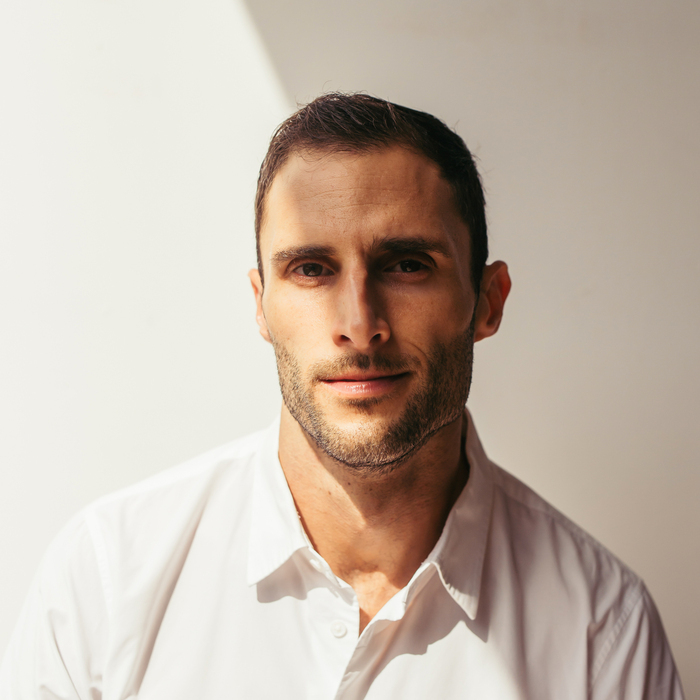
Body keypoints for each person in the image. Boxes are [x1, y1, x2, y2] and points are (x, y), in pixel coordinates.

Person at [0, 93, 684, 699]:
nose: (359, 325)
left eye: (407, 264)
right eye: (311, 269)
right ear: (261, 305)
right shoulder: (105, 583)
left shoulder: (601, 627)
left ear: (487, 301)